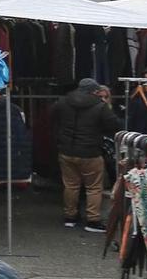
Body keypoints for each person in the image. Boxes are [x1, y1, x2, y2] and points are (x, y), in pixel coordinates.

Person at [50, 77, 120, 231]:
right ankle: (92, 220)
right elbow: (113, 125)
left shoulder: (63, 102)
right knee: (94, 187)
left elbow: (52, 117)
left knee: (71, 185)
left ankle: (70, 217)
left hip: (67, 150)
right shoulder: (100, 106)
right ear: (94, 91)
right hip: (90, 152)